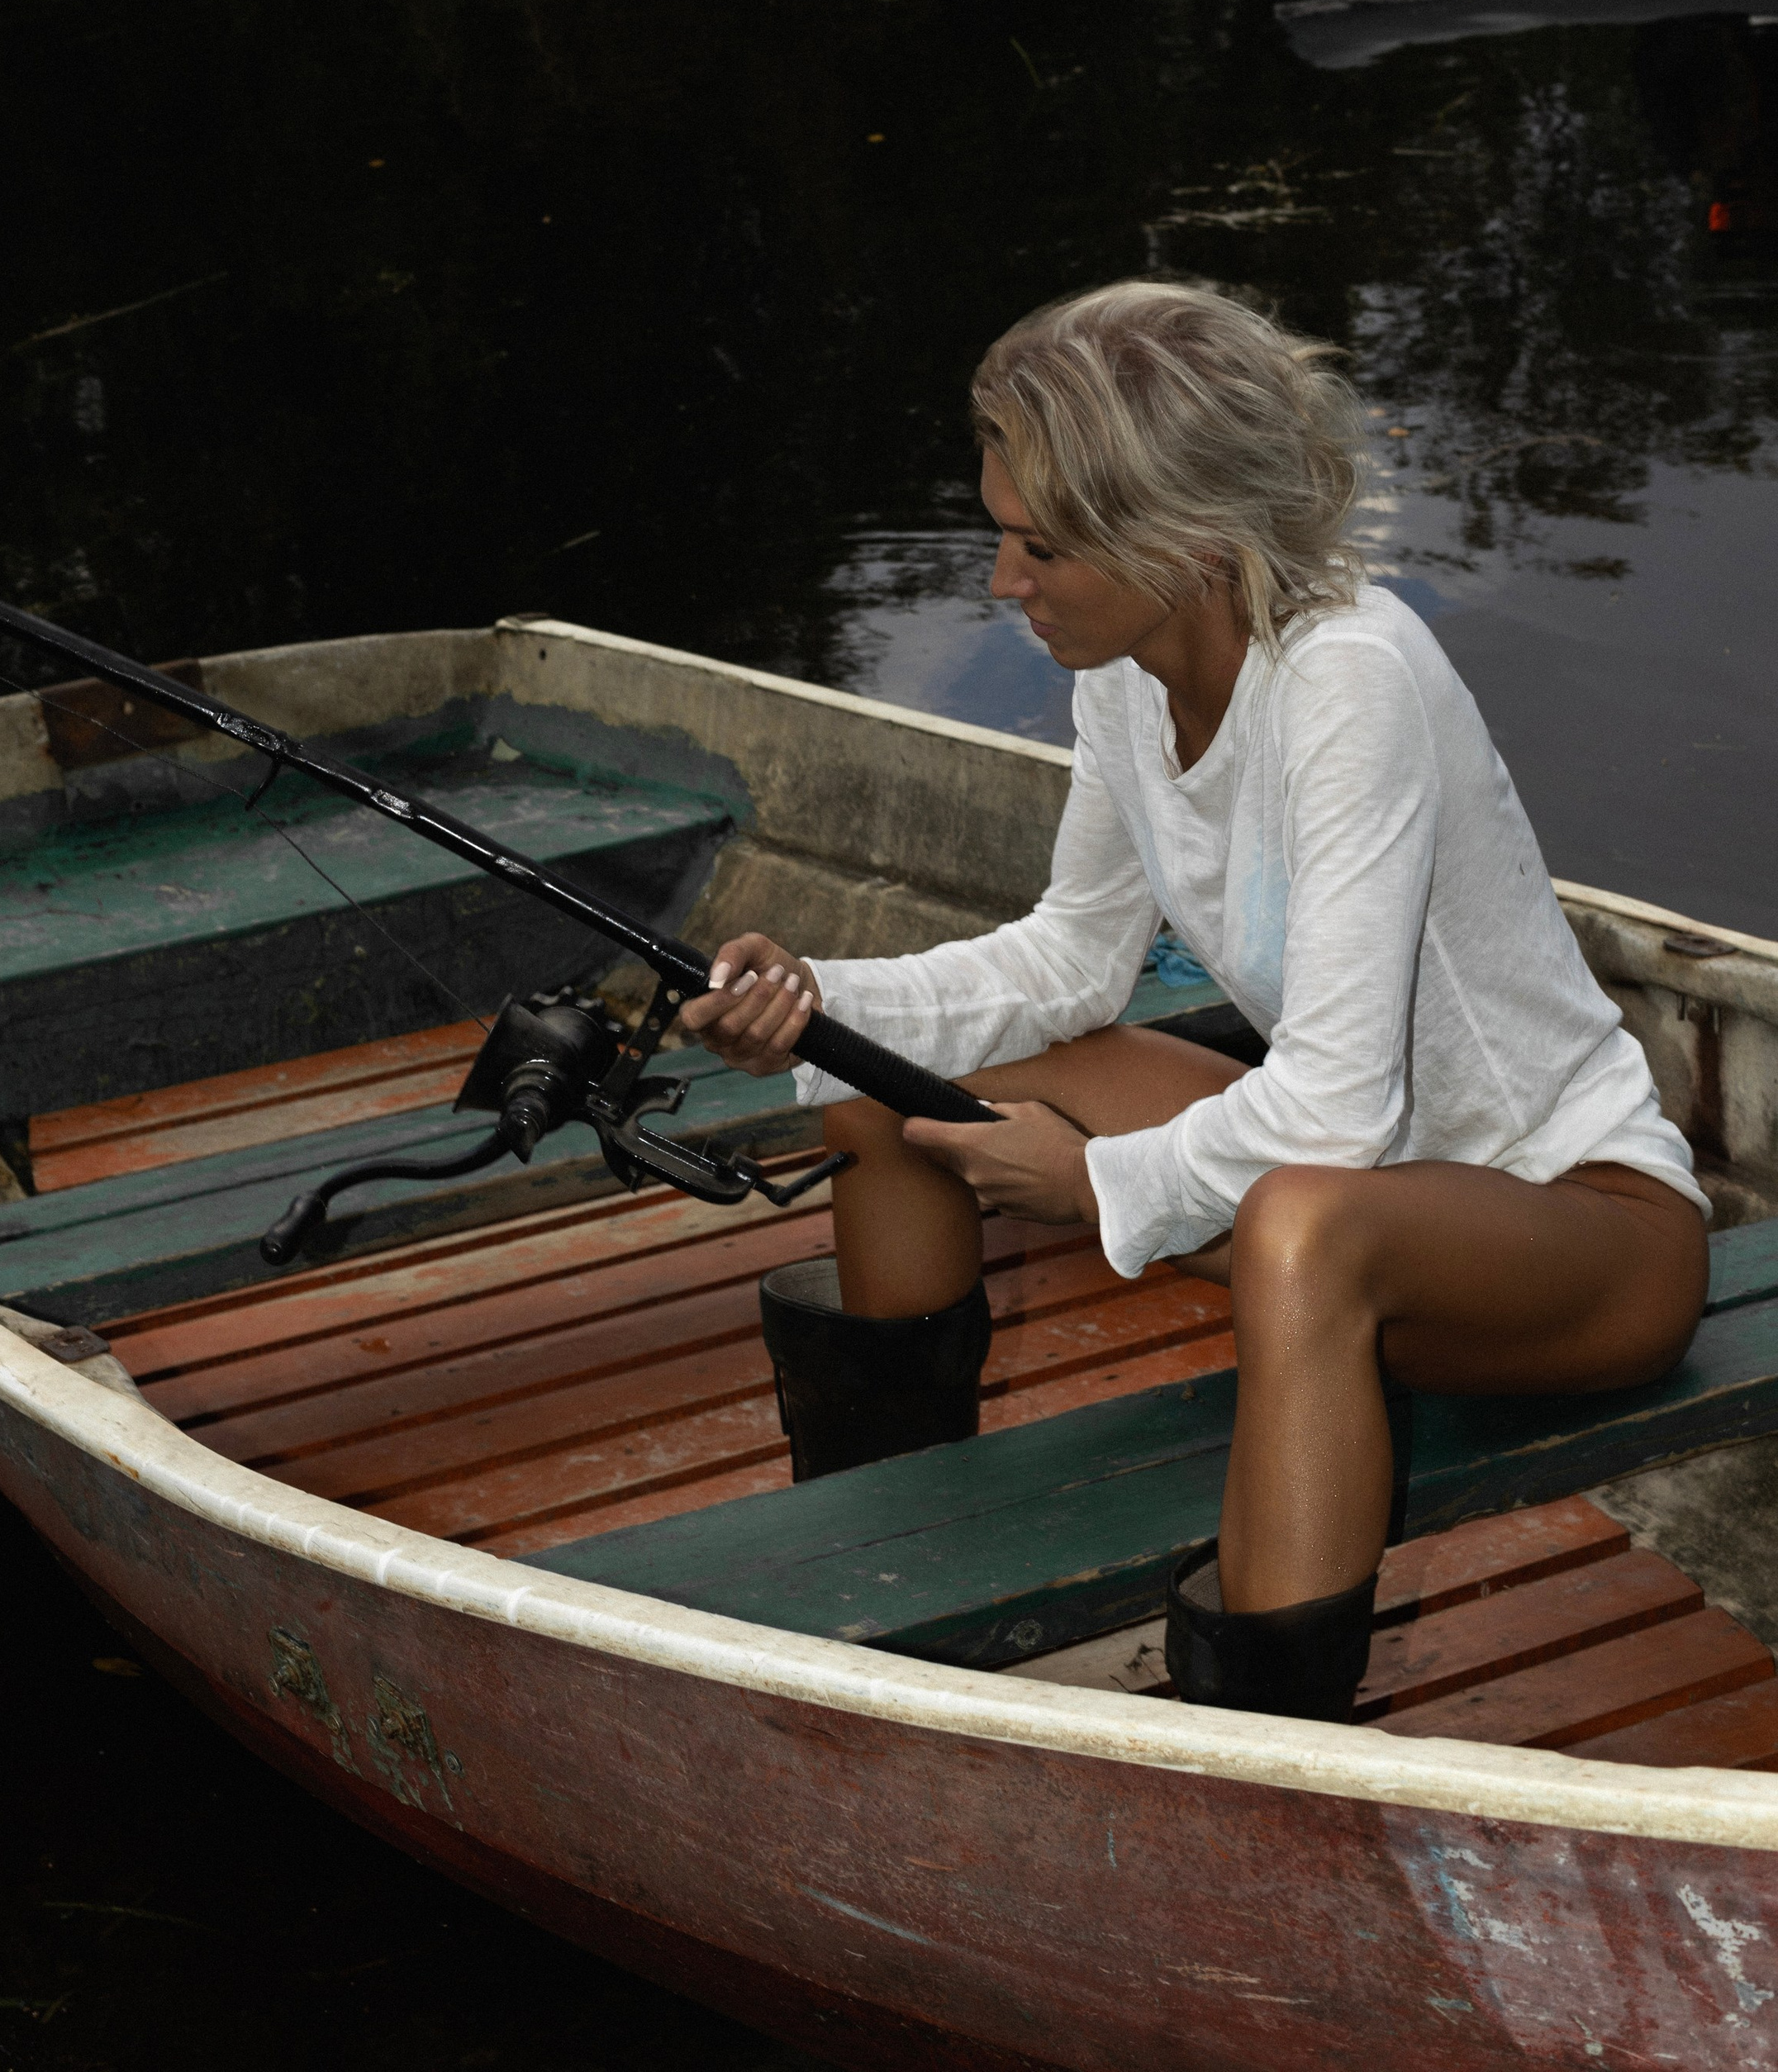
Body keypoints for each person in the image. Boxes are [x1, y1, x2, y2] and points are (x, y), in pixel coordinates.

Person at [680, 281, 1709, 1723]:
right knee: (888, 1089)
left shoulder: (1351, 680)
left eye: (1042, 546)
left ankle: (1264, 1741)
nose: (1003, 582)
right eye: (1003, 533)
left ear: (1184, 542)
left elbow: (1333, 1113)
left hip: (1582, 1234)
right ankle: (893, 1599)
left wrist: (1094, 1181)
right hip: (1372, 1193)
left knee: (1301, 1224)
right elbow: (1069, 964)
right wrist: (814, 1003)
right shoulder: (1126, 674)